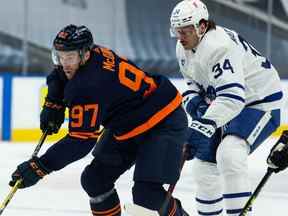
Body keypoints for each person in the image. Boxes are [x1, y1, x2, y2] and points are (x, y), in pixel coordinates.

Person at [9, 24, 189, 216]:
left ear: (85, 55)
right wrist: (53, 102)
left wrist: (40, 167)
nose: (64, 62)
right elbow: (60, 73)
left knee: (147, 195)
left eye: (69, 57)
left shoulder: (88, 85)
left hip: (163, 120)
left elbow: (81, 141)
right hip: (129, 122)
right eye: (60, 56)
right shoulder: (91, 54)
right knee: (95, 179)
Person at [170, 0, 283, 215]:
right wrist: (194, 103)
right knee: (204, 168)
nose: (180, 37)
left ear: (201, 27)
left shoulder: (219, 46)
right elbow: (192, 85)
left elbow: (232, 98)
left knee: (230, 154)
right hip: (225, 102)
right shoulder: (182, 47)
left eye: (185, 31)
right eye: (177, 31)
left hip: (259, 101)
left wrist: (201, 125)